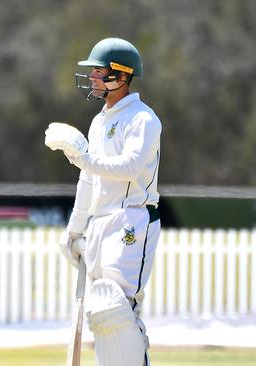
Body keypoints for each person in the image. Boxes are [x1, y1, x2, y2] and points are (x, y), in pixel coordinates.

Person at [45, 37, 162, 366]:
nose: (93, 77)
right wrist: (74, 229)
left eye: (99, 71)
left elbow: (129, 168)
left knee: (117, 307)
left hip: (133, 219)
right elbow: (88, 180)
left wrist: (82, 156)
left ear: (121, 76)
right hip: (100, 221)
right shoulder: (99, 121)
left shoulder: (143, 119)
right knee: (101, 313)